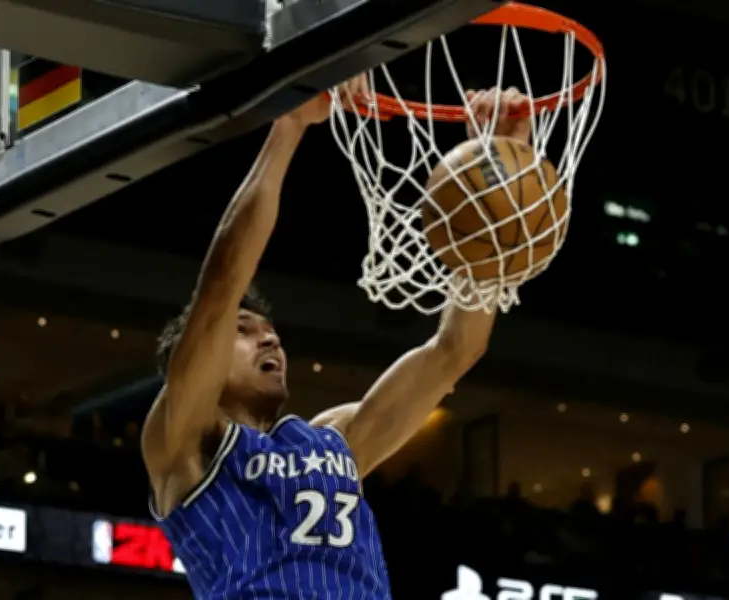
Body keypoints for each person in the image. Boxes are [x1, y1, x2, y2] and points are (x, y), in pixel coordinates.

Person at [142, 81, 530, 599]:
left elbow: (456, 350)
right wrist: (289, 125)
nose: (269, 339)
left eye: (270, 330)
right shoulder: (183, 440)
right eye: (243, 330)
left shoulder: (334, 441)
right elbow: (221, 286)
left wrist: (492, 174)